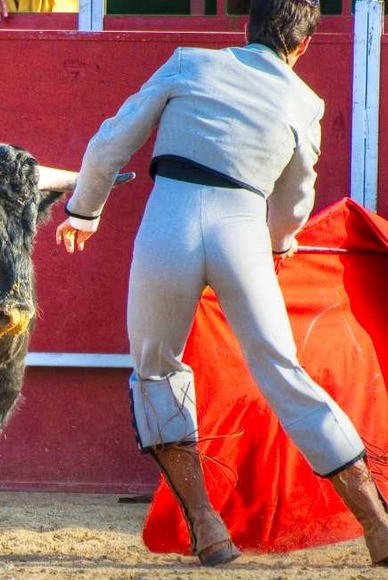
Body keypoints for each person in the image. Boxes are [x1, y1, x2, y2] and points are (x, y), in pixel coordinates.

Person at [54, 0, 388, 567]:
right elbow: (293, 202)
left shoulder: (189, 62)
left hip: (168, 225)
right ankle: (377, 524)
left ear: (244, 29)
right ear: (302, 47)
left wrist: (84, 212)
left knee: (156, 370)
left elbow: (111, 141)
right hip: (243, 234)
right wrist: (279, 245)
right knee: (283, 372)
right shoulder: (305, 102)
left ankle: (207, 528)